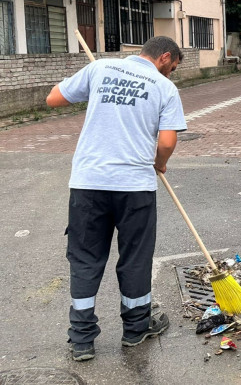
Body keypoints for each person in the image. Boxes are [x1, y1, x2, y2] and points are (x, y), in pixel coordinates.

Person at [46, 36, 186, 361]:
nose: (172, 74)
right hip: (135, 187)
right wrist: (160, 164)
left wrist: (96, 91)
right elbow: (167, 141)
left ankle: (81, 339)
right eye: (173, 68)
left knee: (84, 258)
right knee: (135, 257)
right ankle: (136, 330)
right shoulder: (165, 89)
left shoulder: (100, 68)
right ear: (164, 57)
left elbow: (53, 98)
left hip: (88, 183)